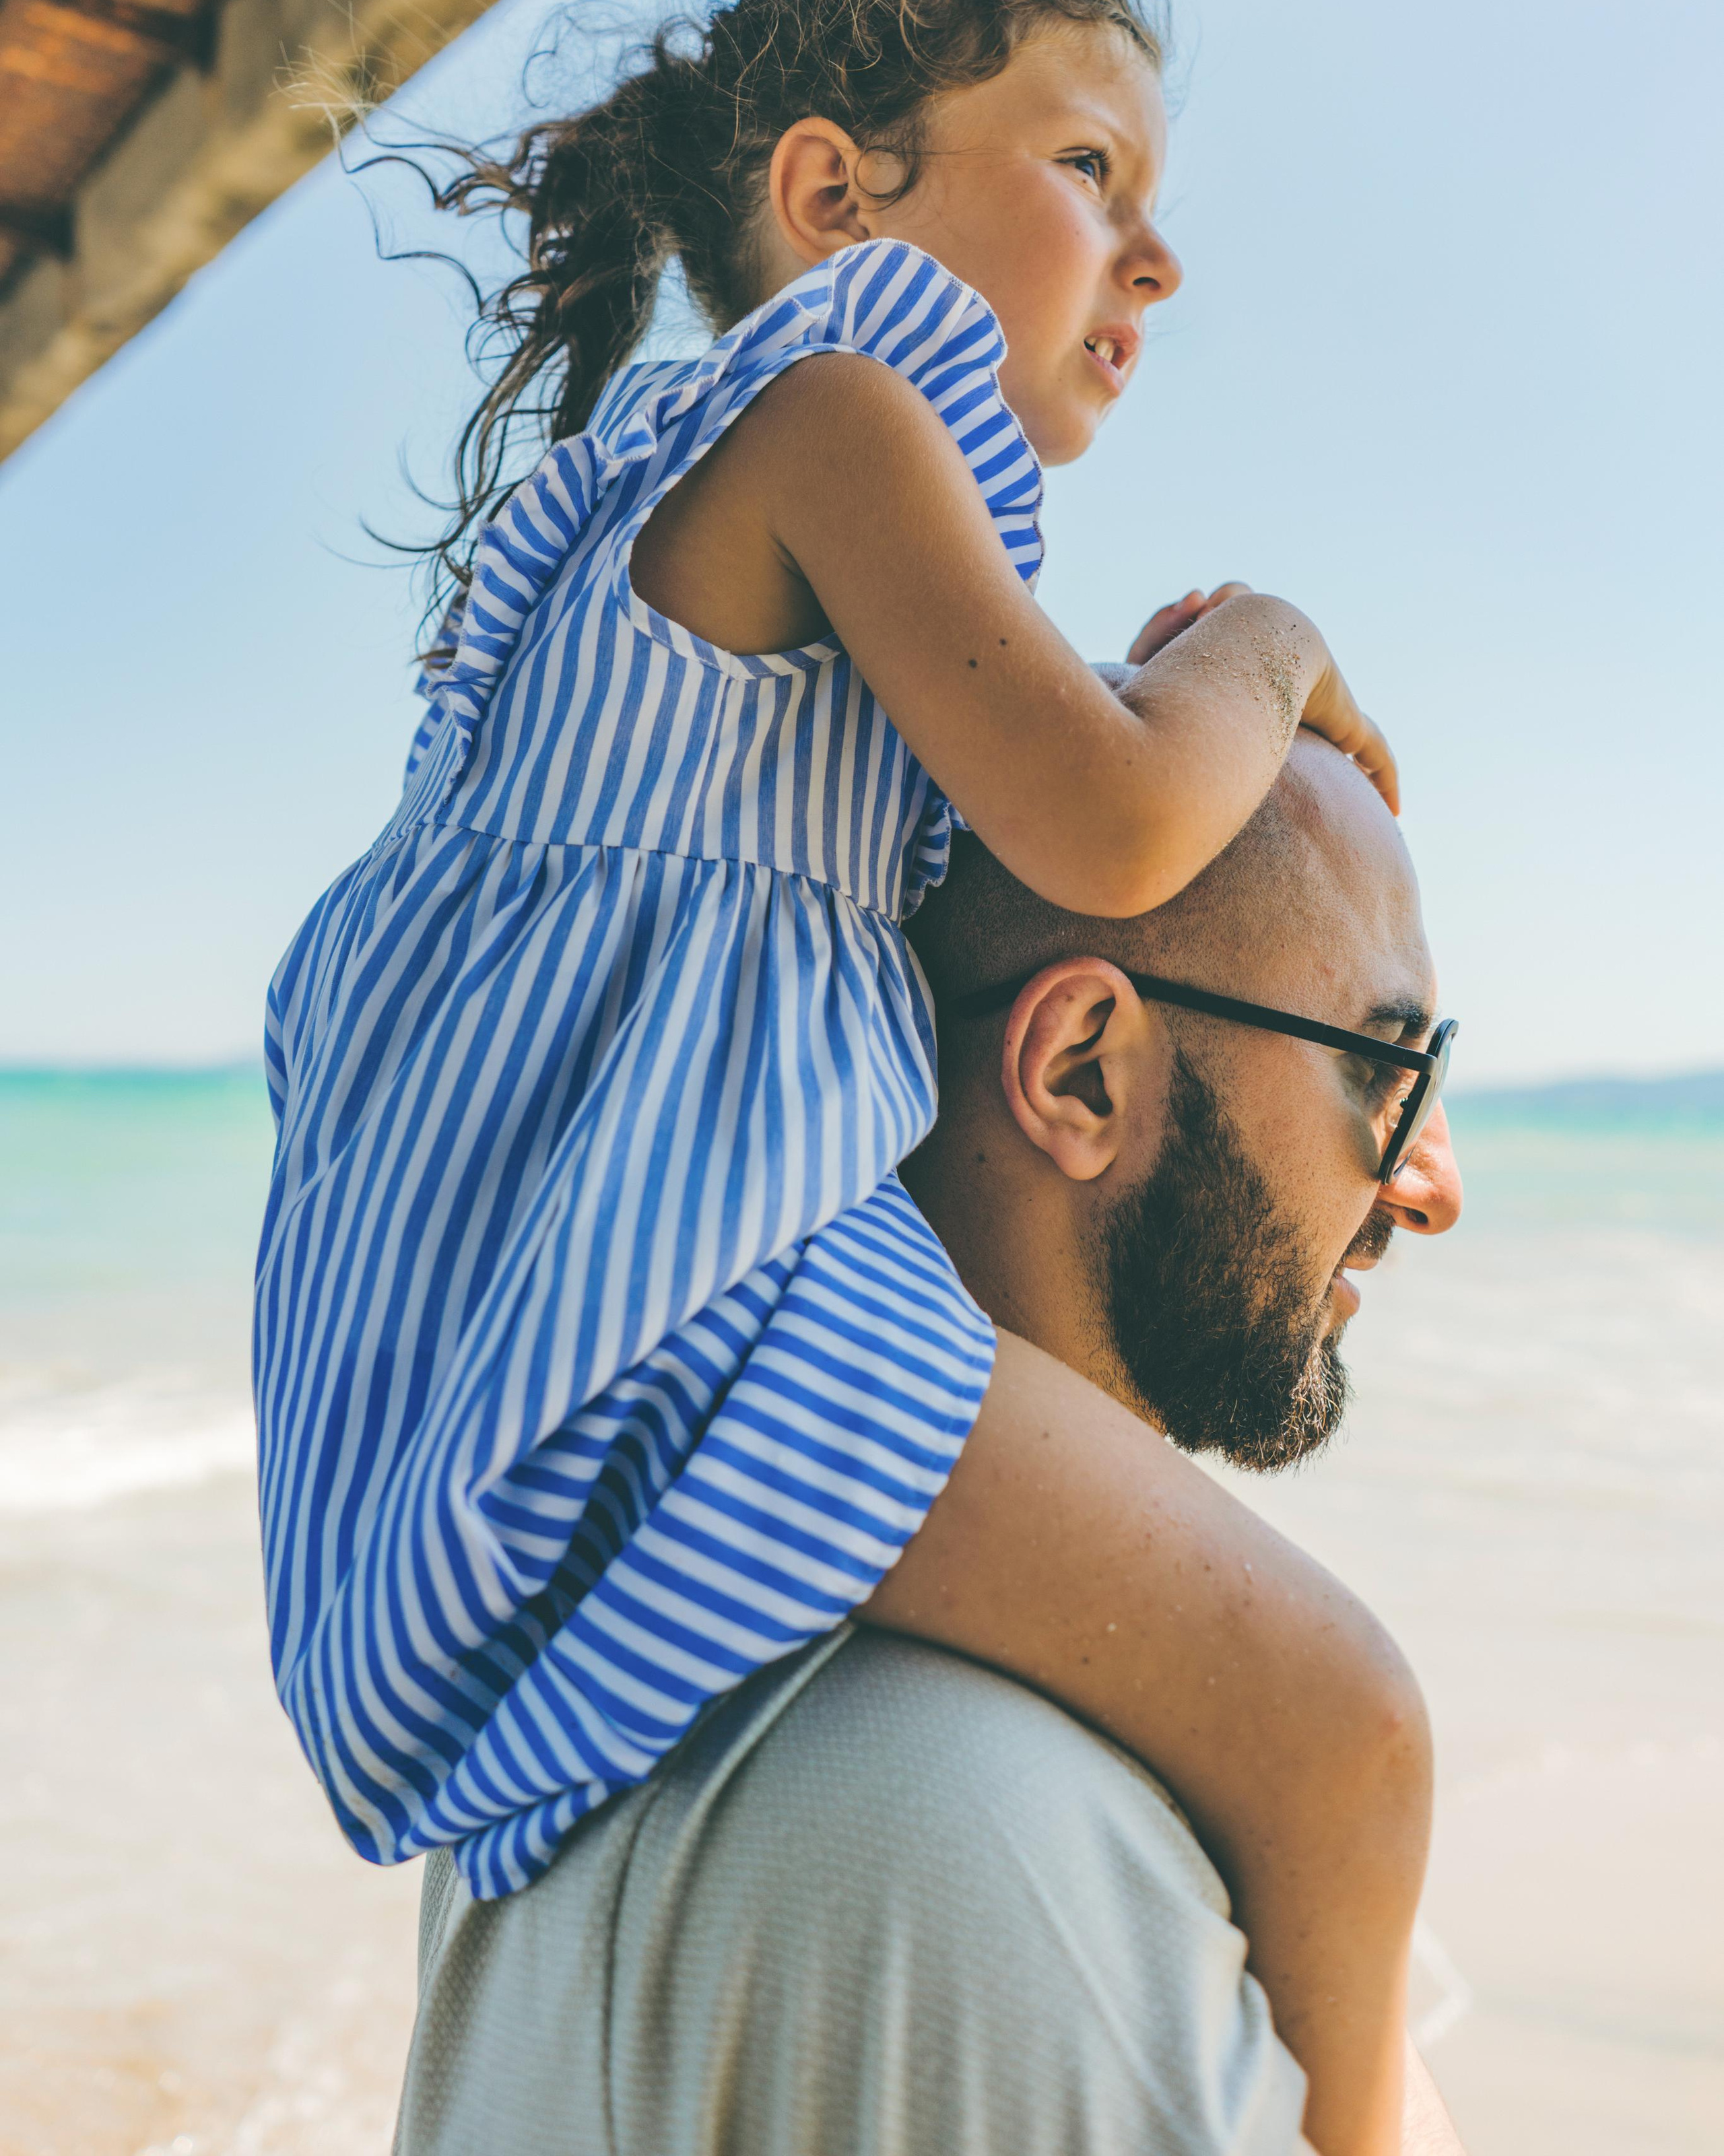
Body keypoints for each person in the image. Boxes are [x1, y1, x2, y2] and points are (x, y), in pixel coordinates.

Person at [258, 0, 1409, 2150]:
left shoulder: (677, 524)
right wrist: (1265, 640)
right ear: (831, 192)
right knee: (1342, 1715)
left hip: (579, 1317)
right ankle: (1366, 2117)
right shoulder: (836, 407)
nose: (1151, 264)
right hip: (716, 1308)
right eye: (1094, 173)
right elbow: (1101, 817)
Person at [392, 729, 1466, 2155]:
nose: (1433, 1181)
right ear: (1079, 1069)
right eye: (1384, 1065)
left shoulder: (608, 1650)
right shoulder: (995, 1845)